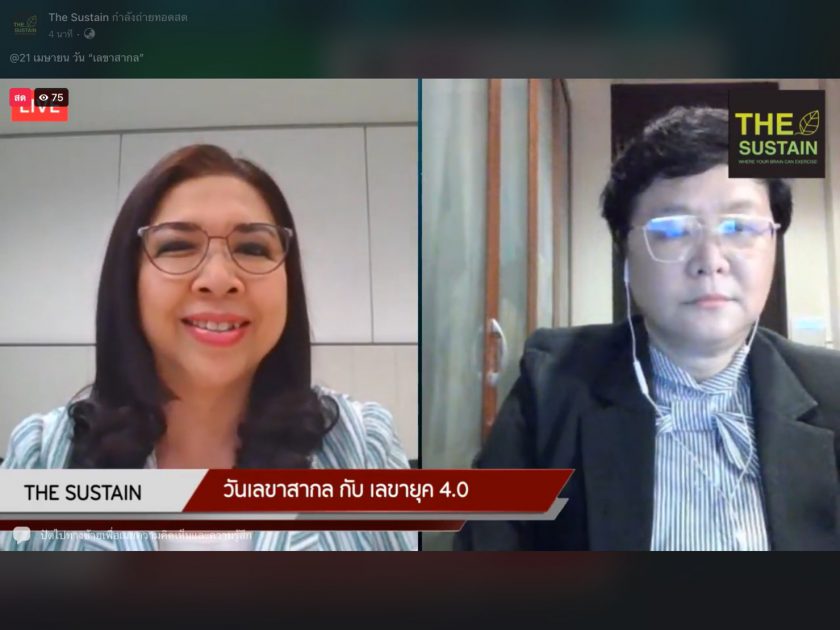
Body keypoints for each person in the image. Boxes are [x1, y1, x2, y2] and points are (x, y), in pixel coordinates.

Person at [456, 106, 840, 551]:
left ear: (773, 242)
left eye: (739, 226)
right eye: (673, 230)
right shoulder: (552, 384)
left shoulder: (830, 389)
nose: (711, 261)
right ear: (625, 251)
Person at [1, 144, 416, 551]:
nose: (218, 279)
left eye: (253, 248)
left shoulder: (364, 447)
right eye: (177, 246)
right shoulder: (42, 458)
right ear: (128, 281)